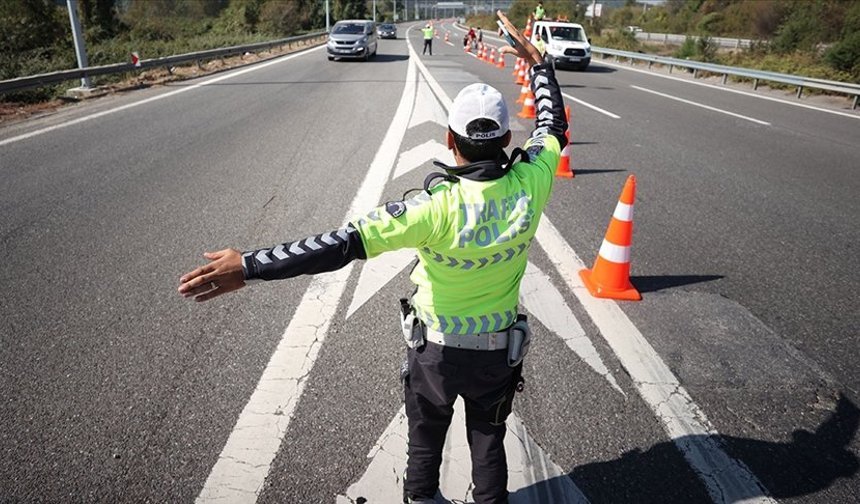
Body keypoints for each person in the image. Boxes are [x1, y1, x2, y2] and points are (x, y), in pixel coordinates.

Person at [177, 10, 567, 504]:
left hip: (436, 354)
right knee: (489, 441)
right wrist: (539, 65)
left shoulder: (432, 208)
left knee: (425, 440)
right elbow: (553, 124)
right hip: (496, 353)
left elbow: (337, 245)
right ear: (508, 140)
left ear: (450, 140)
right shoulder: (532, 181)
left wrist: (249, 265)